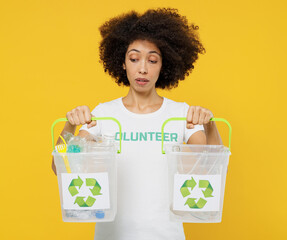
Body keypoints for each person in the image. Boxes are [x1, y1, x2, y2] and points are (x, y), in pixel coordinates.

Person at [52, 8, 222, 240]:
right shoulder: (103, 114)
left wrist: (210, 126)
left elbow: (208, 169)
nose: (143, 68)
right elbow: (61, 167)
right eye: (134, 58)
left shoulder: (182, 114)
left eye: (152, 60)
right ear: (122, 63)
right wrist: (69, 127)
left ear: (164, 66)